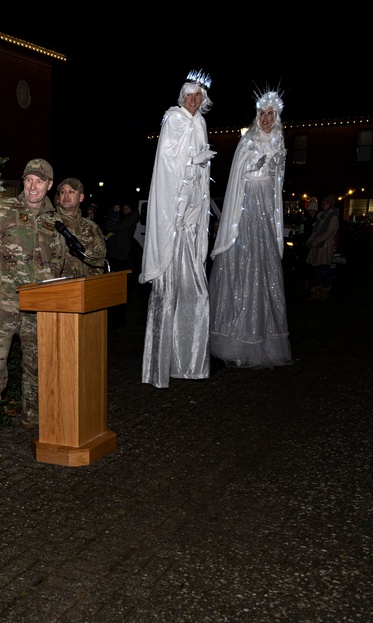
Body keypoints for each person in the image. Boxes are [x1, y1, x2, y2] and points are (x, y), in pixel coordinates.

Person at [0, 159, 64, 462]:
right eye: (29, 180)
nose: (33, 186)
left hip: (39, 309)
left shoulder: (54, 221)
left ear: (49, 186)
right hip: (2, 306)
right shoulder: (0, 209)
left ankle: (33, 419)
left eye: (40, 181)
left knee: (38, 369)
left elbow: (58, 261)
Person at [140, 71, 216, 388]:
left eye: (199, 97)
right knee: (166, 295)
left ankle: (188, 362)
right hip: (173, 223)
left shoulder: (200, 124)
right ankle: (158, 367)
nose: (194, 101)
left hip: (190, 222)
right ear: (182, 97)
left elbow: (200, 181)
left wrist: (199, 167)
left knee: (195, 295)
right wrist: (193, 159)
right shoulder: (173, 119)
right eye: (190, 95)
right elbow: (169, 165)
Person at [208, 90, 292, 368]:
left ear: (276, 117)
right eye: (262, 114)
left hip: (264, 210)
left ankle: (260, 337)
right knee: (240, 263)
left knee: (262, 269)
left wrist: (276, 168)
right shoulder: (248, 140)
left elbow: (277, 182)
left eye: (271, 114)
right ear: (257, 116)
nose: (266, 119)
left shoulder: (278, 141)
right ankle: (232, 338)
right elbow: (236, 174)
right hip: (243, 210)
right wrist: (249, 167)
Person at [50, 177, 107, 277]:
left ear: (81, 197)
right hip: (60, 287)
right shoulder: (49, 222)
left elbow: (99, 260)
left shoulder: (92, 227)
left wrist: (93, 283)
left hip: (87, 286)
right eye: (62, 192)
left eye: (71, 192)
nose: (66, 195)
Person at [306, 196, 339, 301]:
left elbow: (328, 233)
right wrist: (310, 241)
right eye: (323, 203)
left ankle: (326, 290)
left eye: (326, 203)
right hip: (318, 245)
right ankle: (319, 290)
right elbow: (316, 231)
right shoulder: (321, 217)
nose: (324, 205)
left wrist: (315, 242)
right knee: (317, 268)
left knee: (324, 268)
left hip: (325, 245)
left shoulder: (333, 217)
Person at [106, 200, 141, 273]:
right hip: (117, 246)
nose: (125, 209)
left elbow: (121, 226)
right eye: (124, 207)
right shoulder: (125, 217)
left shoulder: (131, 218)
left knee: (119, 267)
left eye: (127, 208)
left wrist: (108, 229)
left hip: (121, 248)